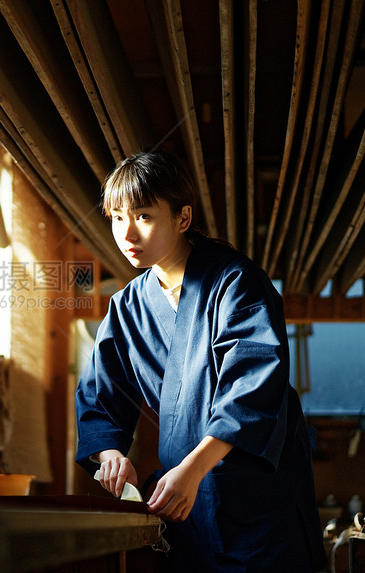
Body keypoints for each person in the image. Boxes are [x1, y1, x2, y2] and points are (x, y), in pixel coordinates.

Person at [75, 151, 327, 571]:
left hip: (255, 502)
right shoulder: (126, 308)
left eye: (143, 216)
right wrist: (109, 456)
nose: (127, 233)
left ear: (182, 218)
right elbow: (100, 396)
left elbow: (253, 384)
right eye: (117, 217)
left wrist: (193, 471)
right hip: (184, 505)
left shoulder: (236, 283)